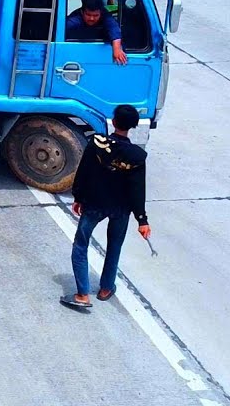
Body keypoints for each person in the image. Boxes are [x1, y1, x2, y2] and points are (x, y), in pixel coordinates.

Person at [60, 104, 151, 310]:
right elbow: (138, 189)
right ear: (133, 126)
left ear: (114, 121)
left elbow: (83, 172)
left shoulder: (97, 143)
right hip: (121, 209)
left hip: (94, 204)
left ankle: (83, 294)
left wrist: (78, 197)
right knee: (114, 246)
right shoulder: (137, 156)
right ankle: (105, 288)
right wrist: (142, 220)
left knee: (81, 245)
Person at [65, 0, 127, 65]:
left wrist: (116, 48)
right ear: (82, 12)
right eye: (88, 15)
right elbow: (62, 30)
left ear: (101, 13)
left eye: (96, 15)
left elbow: (113, 27)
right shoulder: (74, 19)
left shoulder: (105, 15)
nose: (91, 18)